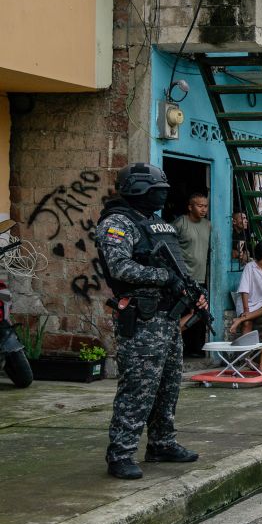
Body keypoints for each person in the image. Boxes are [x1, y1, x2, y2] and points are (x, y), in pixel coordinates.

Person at [95, 162, 208, 480]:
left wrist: (192, 291)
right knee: (138, 388)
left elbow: (178, 266)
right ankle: (120, 454)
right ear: (138, 189)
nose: (162, 196)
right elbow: (119, 267)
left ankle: (161, 443)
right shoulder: (117, 222)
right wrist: (164, 278)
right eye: (157, 190)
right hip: (142, 318)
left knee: (168, 386)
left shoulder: (158, 224)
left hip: (168, 319)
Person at [172, 192, 211, 357]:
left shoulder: (208, 225)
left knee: (199, 314)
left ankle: (195, 350)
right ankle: (178, 349)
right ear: (190, 207)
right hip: (182, 279)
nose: (203, 209)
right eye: (199, 206)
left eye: (205, 206)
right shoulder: (180, 223)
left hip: (200, 278)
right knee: (180, 313)